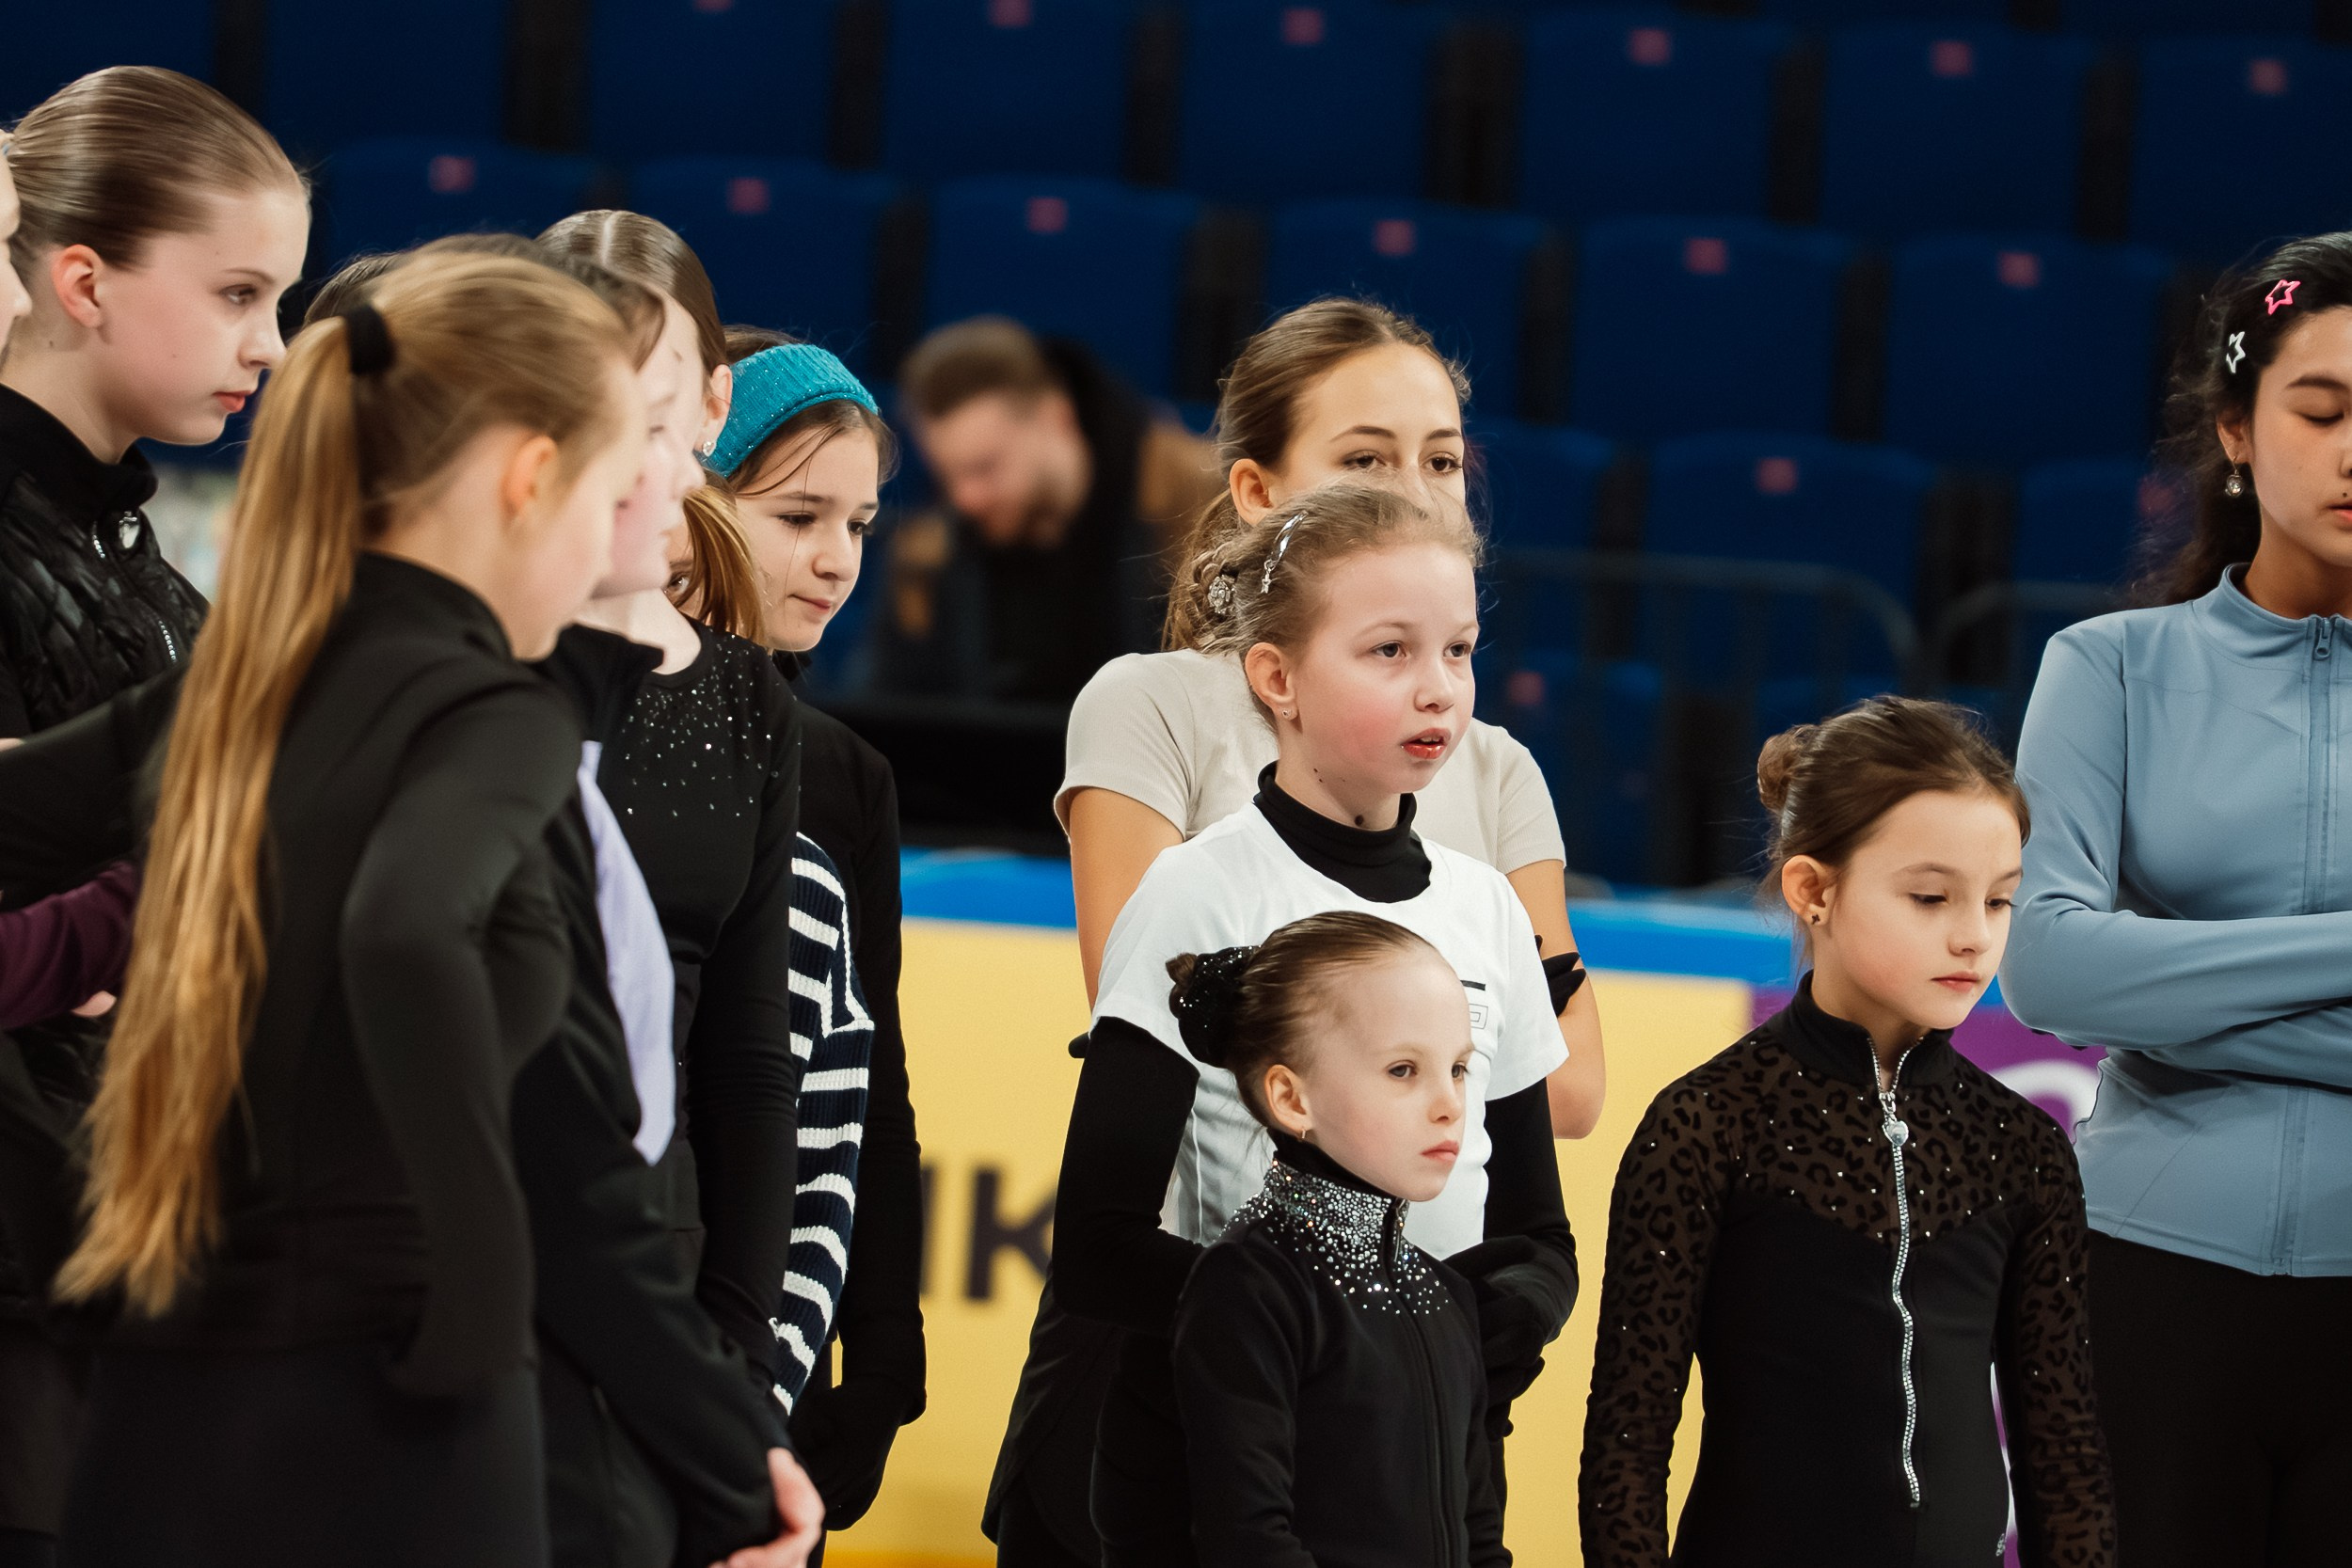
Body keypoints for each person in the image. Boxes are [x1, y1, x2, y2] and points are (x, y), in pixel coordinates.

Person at [48, 253, 640, 1565]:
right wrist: (487, 1288)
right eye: (609, 489)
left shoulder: (234, 694)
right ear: (530, 477)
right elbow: (403, 926)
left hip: (162, 1373)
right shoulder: (493, 710)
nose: (613, 539)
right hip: (394, 1385)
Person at [1000, 478, 1577, 1568]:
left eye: (1457, 651)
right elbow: (1096, 1244)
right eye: (1388, 652)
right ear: (1277, 677)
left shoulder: (1487, 902)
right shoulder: (1198, 888)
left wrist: (1467, 1334)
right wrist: (1320, 1337)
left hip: (1421, 1461)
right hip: (1224, 1459)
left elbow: (1539, 1235)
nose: (1437, 692)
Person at [2000, 233, 2352, 1567]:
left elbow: (2116, 979)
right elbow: (2049, 967)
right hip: (2142, 1282)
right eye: (2321, 410)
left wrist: (2175, 997)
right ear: (2237, 430)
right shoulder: (2110, 669)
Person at [1581, 697, 2113, 1568]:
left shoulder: (2022, 1147)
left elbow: (2066, 1456)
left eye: (2002, 900)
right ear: (1813, 889)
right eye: (1931, 896)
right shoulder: (1707, 1124)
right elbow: (1627, 1449)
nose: (1975, 935)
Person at [0, 66, 305, 1568]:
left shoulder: (157, 577)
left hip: (153, 1256)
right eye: (240, 291)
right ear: (84, 279)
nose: (274, 342)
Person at [1060, 297, 1604, 1138]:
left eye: (1443, 462)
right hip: (1212, 1257)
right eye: (1366, 458)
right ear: (1255, 489)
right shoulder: (1149, 706)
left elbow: (1568, 1093)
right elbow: (1157, 1017)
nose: (1417, 496)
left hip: (1436, 1261)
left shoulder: (1500, 771)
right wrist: (1456, 1032)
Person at [700, 326, 928, 1530]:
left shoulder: (846, 773)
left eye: (859, 525)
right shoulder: (598, 720)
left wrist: (884, 1334)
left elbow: (867, 1074)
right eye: (798, 517)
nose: (837, 560)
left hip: (784, 1324)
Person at [1158, 912, 1507, 1567]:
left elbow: (1480, 1536)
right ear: (1292, 1098)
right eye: (1404, 1069)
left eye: (1458, 1067)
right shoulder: (1249, 1285)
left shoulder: (1448, 1296)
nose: (1449, 1103)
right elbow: (1249, 1539)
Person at [869, 314, 1218, 701]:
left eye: (986, 468)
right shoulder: (928, 556)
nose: (965, 499)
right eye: (946, 478)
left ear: (1057, 416)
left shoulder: (1206, 511)